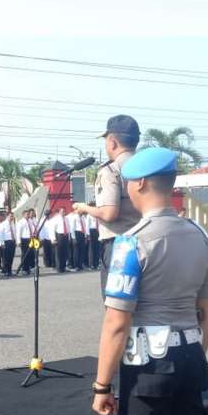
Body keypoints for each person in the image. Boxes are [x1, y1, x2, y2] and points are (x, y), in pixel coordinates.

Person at [91, 147, 208, 415]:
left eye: (130, 182)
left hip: (149, 369)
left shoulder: (131, 243)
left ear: (141, 183)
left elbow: (116, 323)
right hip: (191, 358)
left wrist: (101, 385)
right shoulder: (200, 237)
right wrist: (193, 354)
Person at [73, 115, 142, 293]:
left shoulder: (111, 170)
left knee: (117, 304)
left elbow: (109, 213)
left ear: (112, 142)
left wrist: (84, 208)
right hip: (147, 241)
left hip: (120, 244)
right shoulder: (146, 167)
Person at [51, 207, 72, 273]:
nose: (64, 212)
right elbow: (52, 229)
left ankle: (63, 267)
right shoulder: (55, 219)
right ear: (59, 212)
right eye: (62, 211)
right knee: (58, 253)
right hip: (59, 236)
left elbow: (68, 228)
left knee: (64, 253)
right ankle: (59, 268)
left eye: (64, 211)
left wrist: (69, 237)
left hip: (65, 236)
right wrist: (53, 239)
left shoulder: (66, 218)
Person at [16, 209, 36, 275]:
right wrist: (18, 241)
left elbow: (33, 228)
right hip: (24, 240)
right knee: (25, 254)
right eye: (27, 214)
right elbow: (18, 232)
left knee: (31, 254)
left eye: (28, 214)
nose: (28, 215)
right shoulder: (20, 222)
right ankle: (24, 269)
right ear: (23, 215)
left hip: (31, 239)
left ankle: (29, 268)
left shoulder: (30, 221)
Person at [0, 211, 17, 278]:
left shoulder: (13, 224)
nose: (12, 217)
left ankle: (9, 270)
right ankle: (5, 271)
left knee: (11, 257)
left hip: (12, 242)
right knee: (6, 258)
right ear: (7, 216)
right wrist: (2, 243)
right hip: (6, 242)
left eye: (12, 216)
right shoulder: (3, 224)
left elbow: (14, 233)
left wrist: (15, 241)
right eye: (11, 216)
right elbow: (0, 234)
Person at [87, 204, 101, 269]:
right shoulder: (89, 215)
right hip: (91, 231)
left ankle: (96, 264)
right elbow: (87, 225)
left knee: (97, 248)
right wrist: (88, 235)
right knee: (91, 249)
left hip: (97, 231)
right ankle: (91, 264)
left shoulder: (97, 215)